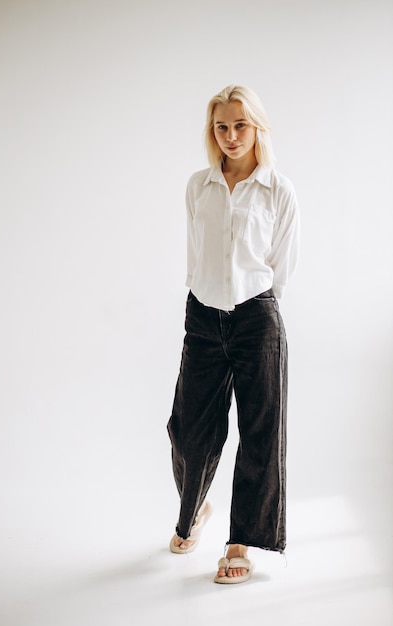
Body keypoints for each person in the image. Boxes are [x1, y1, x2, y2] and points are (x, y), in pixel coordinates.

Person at [167, 85, 300, 584]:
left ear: (258, 128)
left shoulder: (278, 190)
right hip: (202, 313)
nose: (231, 136)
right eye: (221, 127)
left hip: (256, 316)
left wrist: (256, 303)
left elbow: (282, 264)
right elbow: (195, 250)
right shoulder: (198, 186)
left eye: (240, 125)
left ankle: (239, 540)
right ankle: (194, 506)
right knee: (188, 429)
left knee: (260, 433)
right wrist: (204, 295)